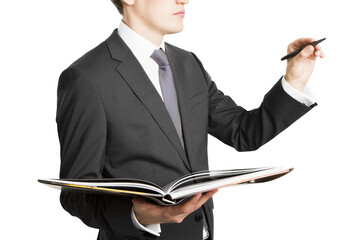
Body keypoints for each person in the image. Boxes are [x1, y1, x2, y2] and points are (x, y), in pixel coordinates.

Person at [56, 0, 325, 239]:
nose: (184, 0)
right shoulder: (87, 77)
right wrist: (140, 216)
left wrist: (295, 79)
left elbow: (245, 133)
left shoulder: (189, 64)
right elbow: (76, 193)